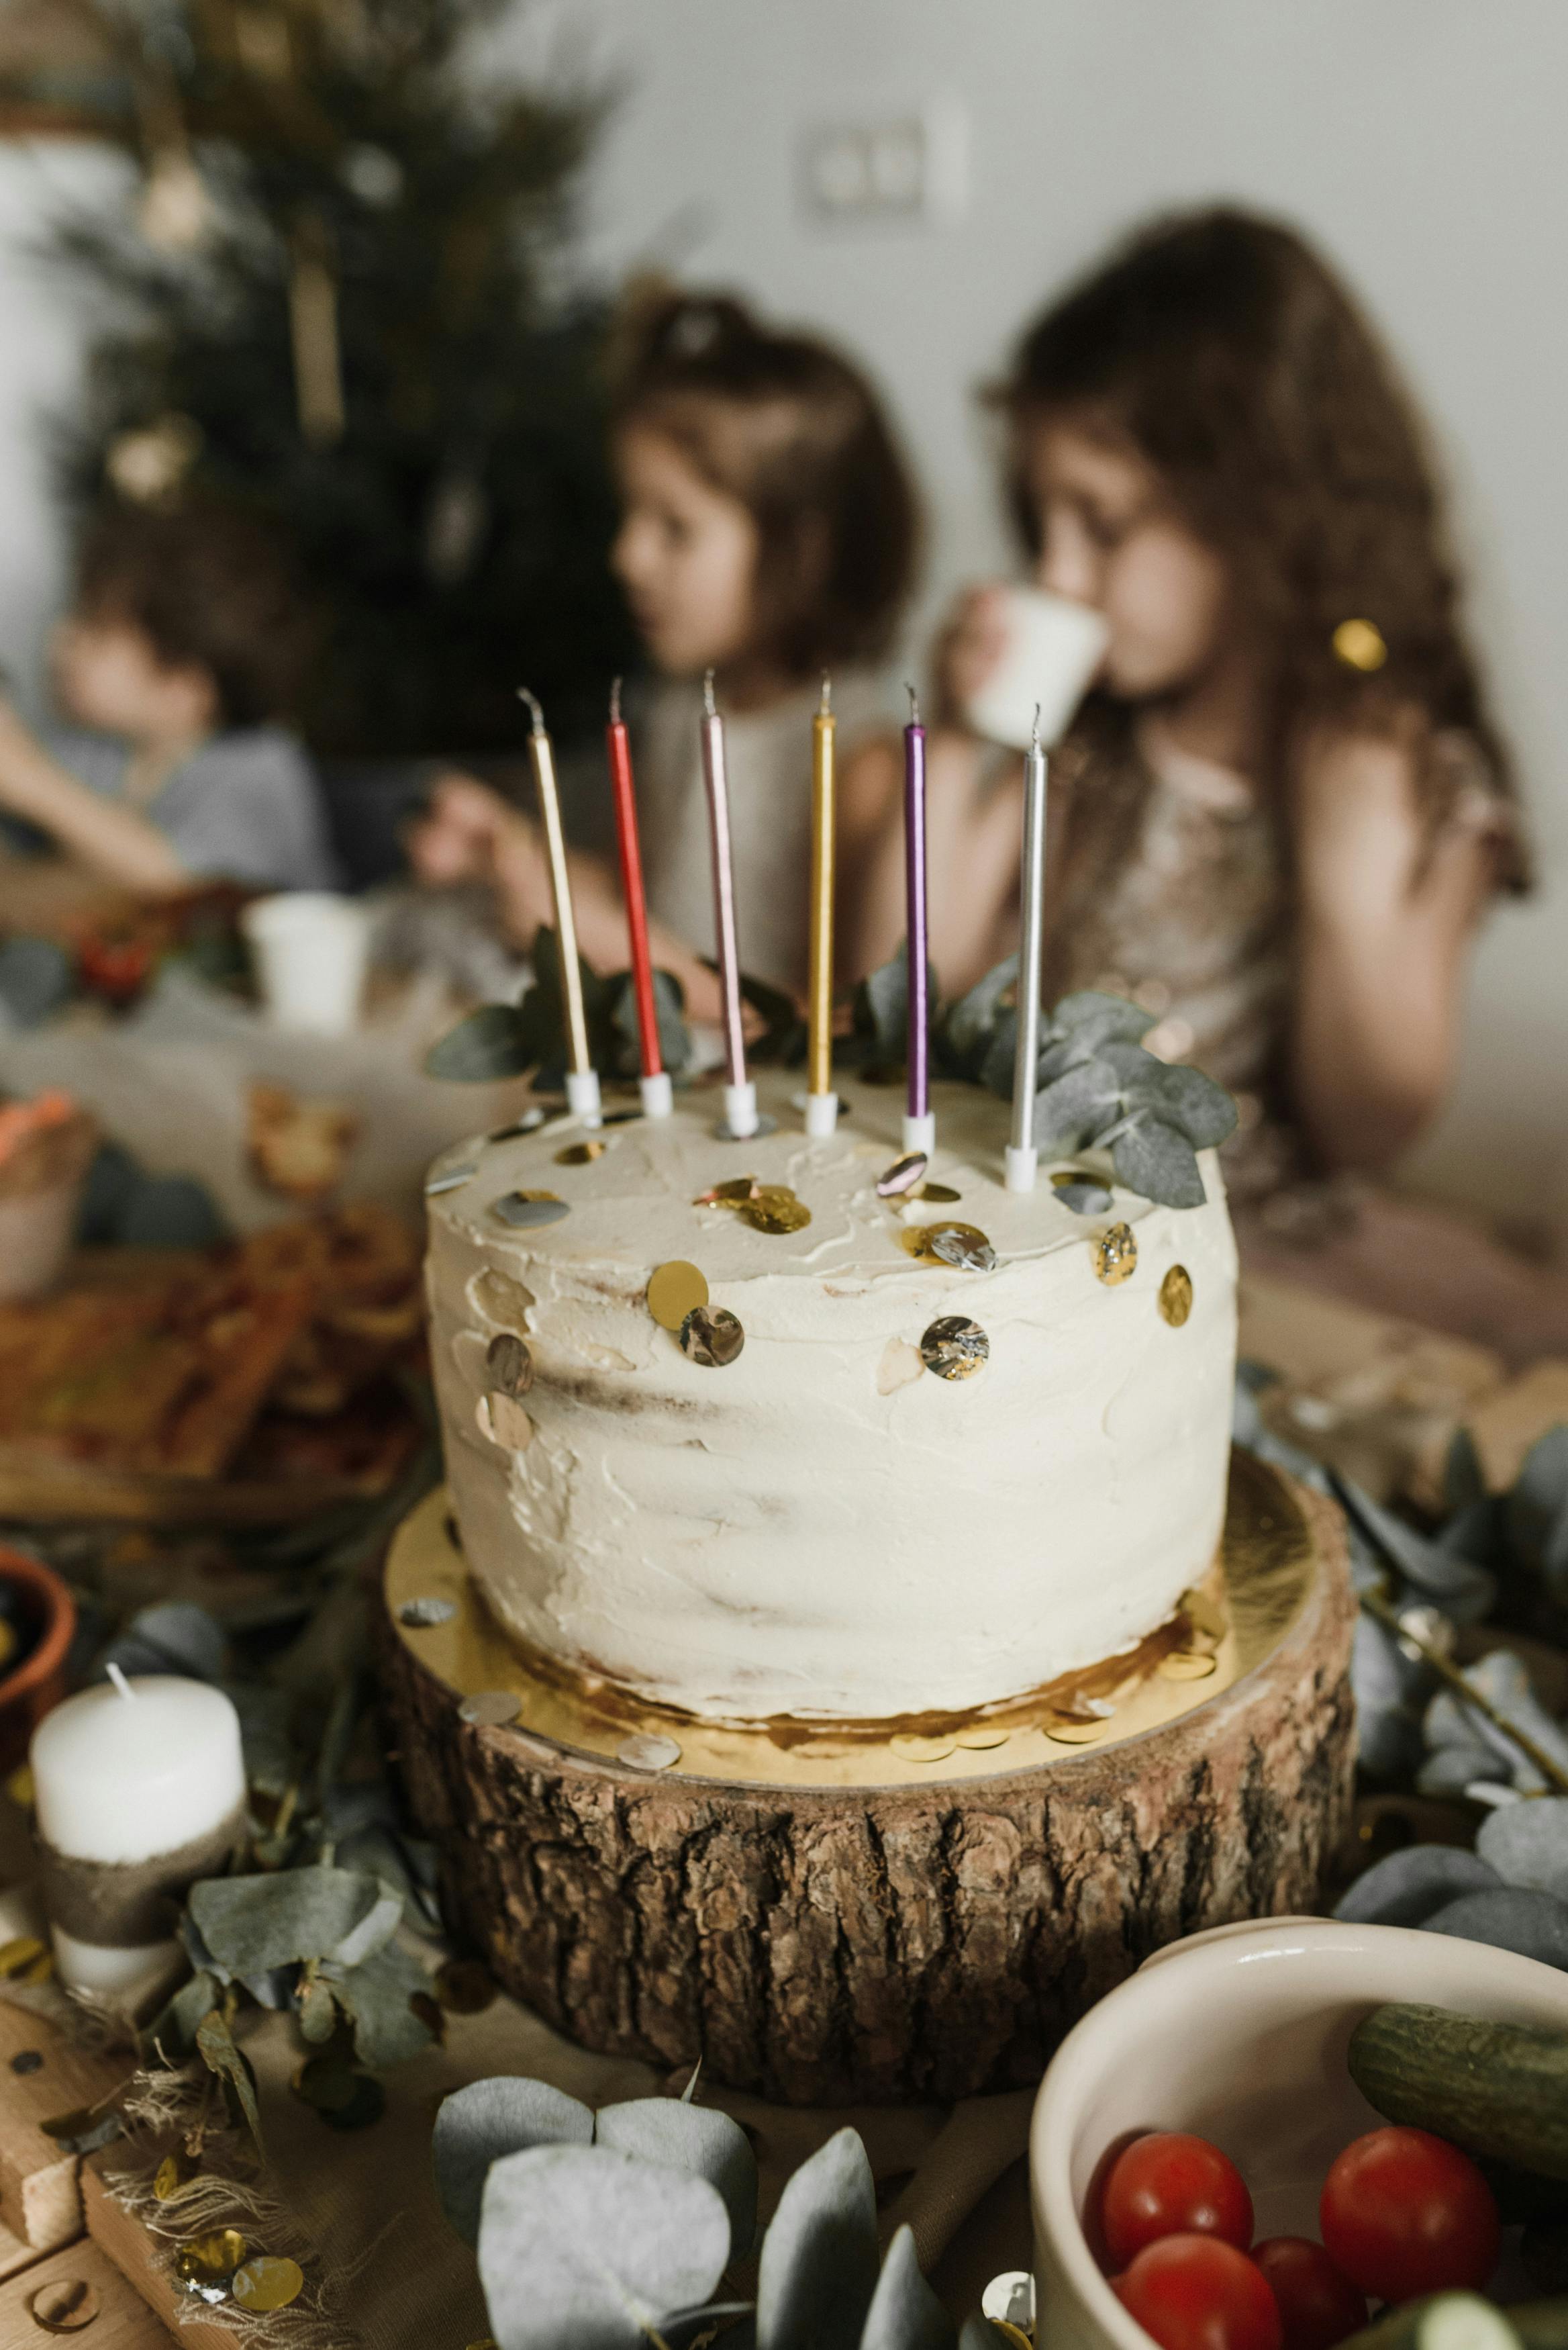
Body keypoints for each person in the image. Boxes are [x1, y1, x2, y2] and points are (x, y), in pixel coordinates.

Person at [843, 208, 1528, 1199]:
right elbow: (903, 993)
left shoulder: (1405, 771)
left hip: (1251, 1256)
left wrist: (1347, 893)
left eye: (1103, 525)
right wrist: (954, 738)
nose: (1056, 573)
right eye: (1043, 522)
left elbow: (1371, 1127)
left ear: (1255, 511)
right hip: (1038, 1216)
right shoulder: (1088, 734)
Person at [409, 289, 920, 1011]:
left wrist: (627, 958)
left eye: (674, 527)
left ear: (802, 550)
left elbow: (849, 1036)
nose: (627, 557)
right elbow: (657, 914)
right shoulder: (678, 708)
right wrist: (516, 852)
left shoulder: (862, 765)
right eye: (630, 515)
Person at [0, 494, 336, 896]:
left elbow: (183, 886)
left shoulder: (261, 767)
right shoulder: (93, 753)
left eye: (96, 633)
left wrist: (33, 784)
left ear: (184, 687)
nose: (61, 641)